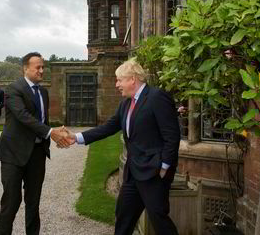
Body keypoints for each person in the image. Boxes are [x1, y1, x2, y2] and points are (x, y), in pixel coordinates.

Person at [61, 58, 180, 235]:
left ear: (132, 79)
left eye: (119, 80)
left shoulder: (156, 97)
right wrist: (77, 137)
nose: (117, 85)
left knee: (159, 219)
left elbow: (172, 136)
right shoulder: (126, 104)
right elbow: (108, 127)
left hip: (154, 173)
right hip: (132, 174)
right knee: (123, 216)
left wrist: (164, 167)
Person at [0, 52, 68, 235]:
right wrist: (51, 132)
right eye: (38, 67)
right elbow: (23, 117)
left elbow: (43, 120)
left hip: (37, 153)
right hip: (13, 153)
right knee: (11, 201)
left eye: (43, 67)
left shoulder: (43, 92)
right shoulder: (13, 89)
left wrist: (53, 136)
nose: (42, 70)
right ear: (25, 68)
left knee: (33, 201)